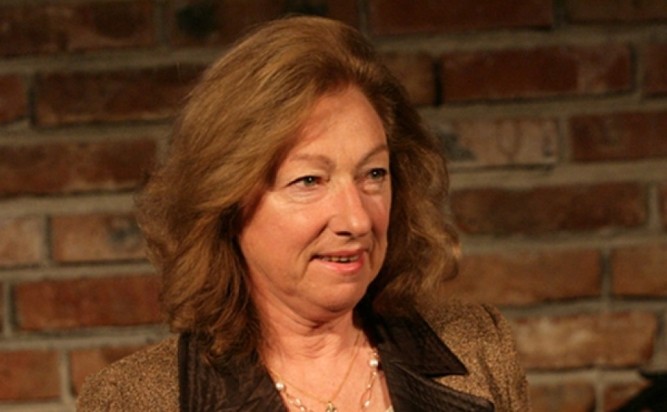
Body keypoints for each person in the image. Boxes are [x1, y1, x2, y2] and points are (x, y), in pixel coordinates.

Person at [77, 16, 530, 412]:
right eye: (309, 181)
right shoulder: (134, 399)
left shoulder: (478, 347)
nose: (357, 220)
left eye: (374, 174)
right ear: (227, 202)